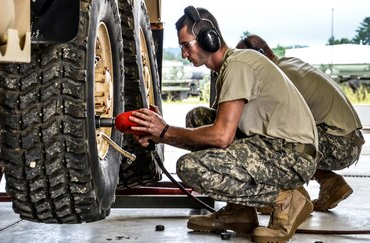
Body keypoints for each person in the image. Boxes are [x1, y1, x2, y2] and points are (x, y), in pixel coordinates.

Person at [128, 6, 318, 243]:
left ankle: (285, 200)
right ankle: (240, 212)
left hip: (291, 155)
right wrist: (159, 134)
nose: (184, 54)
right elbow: (216, 130)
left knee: (189, 167)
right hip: (273, 146)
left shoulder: (239, 65)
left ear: (209, 39)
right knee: (198, 118)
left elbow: (221, 137)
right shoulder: (229, 67)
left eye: (187, 45)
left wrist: (164, 131)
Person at [236, 34, 366, 212]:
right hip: (346, 139)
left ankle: (291, 198)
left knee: (268, 138)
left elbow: (276, 127)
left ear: (258, 56)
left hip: (338, 142)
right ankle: (330, 184)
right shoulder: (288, 63)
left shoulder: (280, 76)